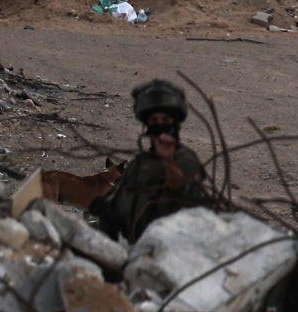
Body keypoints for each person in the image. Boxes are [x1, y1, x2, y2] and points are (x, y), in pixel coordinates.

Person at [89, 78, 211, 240]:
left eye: (165, 120)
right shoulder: (140, 163)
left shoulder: (185, 159)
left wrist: (168, 159)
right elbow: (126, 200)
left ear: (175, 123)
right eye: (154, 121)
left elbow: (181, 191)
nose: (159, 125)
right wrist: (109, 212)